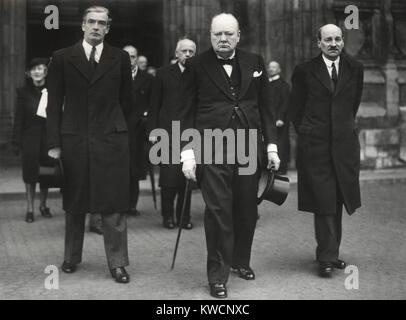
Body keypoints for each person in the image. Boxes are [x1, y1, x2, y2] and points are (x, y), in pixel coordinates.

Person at [178, 13, 280, 298]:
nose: (223, 39)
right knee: (218, 210)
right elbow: (184, 112)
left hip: (248, 144)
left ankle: (240, 261)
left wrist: (271, 146)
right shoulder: (196, 65)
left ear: (238, 36)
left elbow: (267, 107)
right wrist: (187, 153)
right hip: (211, 145)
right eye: (217, 34)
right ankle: (217, 276)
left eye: (228, 34)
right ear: (210, 36)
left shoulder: (255, 61)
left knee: (248, 210)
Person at [46, 6, 133, 283]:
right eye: (91, 22)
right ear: (82, 26)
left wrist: (122, 133)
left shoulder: (119, 58)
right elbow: (53, 105)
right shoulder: (61, 58)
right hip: (75, 140)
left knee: (114, 203)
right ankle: (71, 256)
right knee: (74, 201)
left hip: (111, 139)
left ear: (108, 28)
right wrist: (54, 143)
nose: (96, 27)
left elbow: (128, 102)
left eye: (102, 23)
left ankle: (118, 263)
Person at [289, 24, 364, 278]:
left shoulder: (356, 68)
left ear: (342, 42)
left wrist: (342, 130)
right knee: (323, 201)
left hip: (344, 147)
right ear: (318, 43)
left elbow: (352, 105)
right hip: (316, 147)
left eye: (338, 39)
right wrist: (310, 132)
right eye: (328, 39)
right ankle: (327, 257)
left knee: (338, 198)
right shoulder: (304, 71)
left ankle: (331, 251)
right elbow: (296, 109)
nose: (333, 43)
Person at [148, 38, 196, 230]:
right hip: (166, 133)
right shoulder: (163, 74)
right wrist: (152, 131)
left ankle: (184, 217)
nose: (187, 55)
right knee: (168, 180)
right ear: (176, 53)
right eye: (184, 51)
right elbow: (154, 105)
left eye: (191, 52)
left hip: (189, 133)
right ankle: (167, 216)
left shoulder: (198, 74)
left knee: (187, 178)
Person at [12, 58, 53, 223]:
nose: (37, 72)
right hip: (30, 139)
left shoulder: (52, 91)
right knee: (30, 175)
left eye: (41, 68)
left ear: (46, 72)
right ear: (29, 73)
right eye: (34, 69)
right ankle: (30, 209)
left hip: (48, 139)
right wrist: (16, 142)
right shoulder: (22, 93)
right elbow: (19, 119)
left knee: (47, 175)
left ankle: (43, 205)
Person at [123, 45, 153, 216]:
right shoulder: (115, 77)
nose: (130, 60)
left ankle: (132, 204)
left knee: (134, 170)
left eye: (133, 56)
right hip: (119, 128)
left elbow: (152, 102)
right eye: (126, 56)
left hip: (137, 131)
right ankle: (120, 203)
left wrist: (147, 122)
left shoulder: (147, 79)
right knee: (119, 169)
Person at [267, 61, 290, 175]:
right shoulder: (266, 84)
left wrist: (280, 118)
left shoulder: (284, 85)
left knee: (280, 143)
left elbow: (285, 103)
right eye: (270, 67)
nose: (271, 69)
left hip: (279, 120)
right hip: (268, 119)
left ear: (279, 69)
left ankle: (281, 168)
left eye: (274, 67)